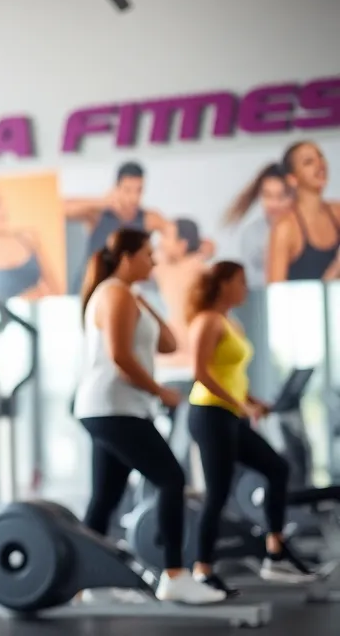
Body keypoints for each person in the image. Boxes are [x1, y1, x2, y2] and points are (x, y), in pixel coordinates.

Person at [71, 228, 226, 604]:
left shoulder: (126, 294)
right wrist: (161, 392)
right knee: (171, 478)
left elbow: (169, 341)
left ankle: (83, 581)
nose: (154, 261)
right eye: (146, 255)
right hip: (114, 407)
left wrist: (142, 296)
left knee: (106, 497)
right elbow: (121, 357)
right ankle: (174, 575)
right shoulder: (115, 294)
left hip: (110, 408)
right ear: (126, 258)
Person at [184, 261, 317, 596]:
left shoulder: (232, 322)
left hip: (230, 413)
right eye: (241, 282)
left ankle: (275, 552)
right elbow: (200, 372)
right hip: (209, 414)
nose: (245, 288)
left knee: (277, 468)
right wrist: (240, 404)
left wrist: (253, 401)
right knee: (218, 493)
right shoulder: (206, 321)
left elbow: (232, 377)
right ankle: (202, 569)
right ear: (225, 283)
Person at [64, 161, 172, 293]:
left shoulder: (149, 219)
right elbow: (61, 209)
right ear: (117, 189)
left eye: (139, 190)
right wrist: (103, 202)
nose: (134, 198)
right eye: (127, 190)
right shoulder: (99, 215)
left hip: (126, 291)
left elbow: (177, 236)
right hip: (89, 289)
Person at [266, 140, 340, 282]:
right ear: (292, 179)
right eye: (308, 162)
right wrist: (335, 270)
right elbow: (275, 293)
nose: (320, 165)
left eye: (321, 157)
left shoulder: (337, 212)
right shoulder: (285, 228)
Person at [148, 218, 216, 370]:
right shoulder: (168, 266)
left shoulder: (198, 270)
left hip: (185, 354)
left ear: (182, 245)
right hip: (184, 353)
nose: (161, 243)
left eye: (166, 237)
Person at [223, 164, 292, 288]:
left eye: (281, 196)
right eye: (267, 195)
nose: (274, 204)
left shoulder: (308, 231)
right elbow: (254, 284)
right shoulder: (252, 235)